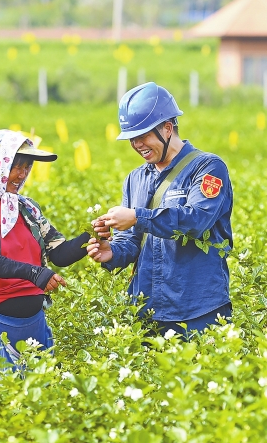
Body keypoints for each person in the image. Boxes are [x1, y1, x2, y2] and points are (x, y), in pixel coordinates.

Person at [86, 82, 233, 337]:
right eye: (132, 139)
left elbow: (196, 221)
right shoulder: (135, 179)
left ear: (167, 128)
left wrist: (136, 217)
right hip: (147, 308)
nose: (137, 145)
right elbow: (131, 242)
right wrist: (111, 252)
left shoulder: (208, 168)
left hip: (198, 308)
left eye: (143, 136)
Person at [0, 129, 99, 372]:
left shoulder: (26, 208)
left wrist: (94, 233)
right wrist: (34, 273)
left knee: (39, 400)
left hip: (32, 322)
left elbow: (60, 253)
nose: (22, 174)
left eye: (27, 167)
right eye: (15, 166)